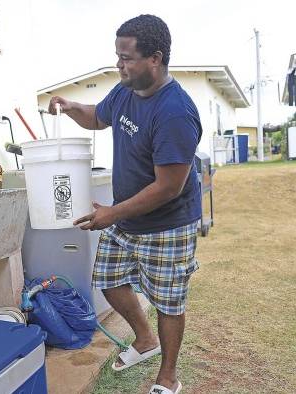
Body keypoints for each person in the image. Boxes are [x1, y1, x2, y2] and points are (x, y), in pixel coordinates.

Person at [48, 14, 201, 394]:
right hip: (125, 216)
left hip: (168, 223)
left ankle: (168, 377)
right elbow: (97, 117)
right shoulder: (125, 92)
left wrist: (110, 214)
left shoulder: (175, 112)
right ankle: (144, 339)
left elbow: (168, 186)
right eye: (117, 57)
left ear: (155, 58)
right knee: (110, 281)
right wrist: (69, 106)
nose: (119, 66)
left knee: (168, 301)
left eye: (127, 58)